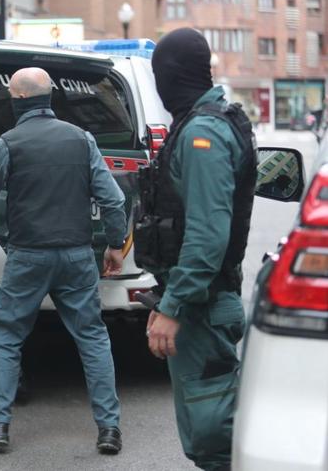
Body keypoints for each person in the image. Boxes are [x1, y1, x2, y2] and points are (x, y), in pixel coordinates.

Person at [0, 67, 127, 453]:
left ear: (17, 100)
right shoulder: (81, 139)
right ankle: (109, 430)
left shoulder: (8, 143)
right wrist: (115, 245)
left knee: (5, 335)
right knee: (92, 337)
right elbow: (113, 200)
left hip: (28, 256)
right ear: (48, 98)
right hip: (78, 256)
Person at [138, 27, 256, 470]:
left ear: (170, 74)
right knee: (209, 438)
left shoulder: (202, 133)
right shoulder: (206, 122)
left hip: (203, 307)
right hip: (197, 303)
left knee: (214, 440)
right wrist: (168, 300)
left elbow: (207, 237)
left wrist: (175, 306)